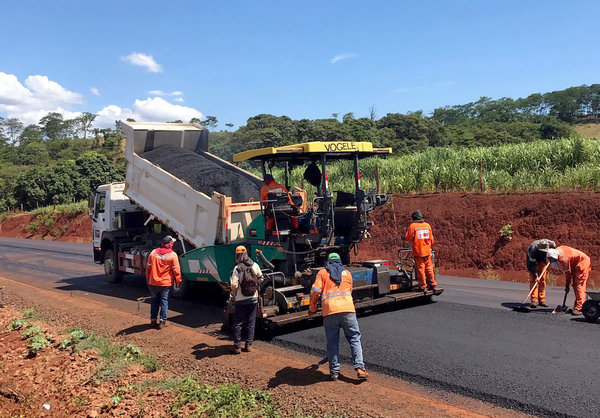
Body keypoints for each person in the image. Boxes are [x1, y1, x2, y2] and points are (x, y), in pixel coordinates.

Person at [309, 253, 368, 381]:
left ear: (328, 262)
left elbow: (315, 291)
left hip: (330, 312)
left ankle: (334, 373)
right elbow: (350, 290)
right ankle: (360, 368)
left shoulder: (323, 273)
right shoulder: (347, 273)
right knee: (354, 338)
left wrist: (312, 308)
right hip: (348, 310)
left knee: (332, 343)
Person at [229, 246, 263, 354]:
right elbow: (261, 278)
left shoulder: (237, 268)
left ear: (237, 255)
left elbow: (234, 285)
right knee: (251, 321)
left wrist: (236, 290)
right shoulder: (255, 265)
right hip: (253, 298)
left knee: (238, 322)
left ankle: (237, 346)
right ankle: (248, 345)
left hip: (241, 299)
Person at [146, 235, 181, 329]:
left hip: (153, 282)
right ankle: (162, 321)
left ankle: (153, 320)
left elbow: (148, 268)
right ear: (170, 244)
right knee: (164, 302)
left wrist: (148, 278)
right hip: (166, 284)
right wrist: (178, 281)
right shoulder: (172, 255)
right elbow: (176, 270)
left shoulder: (153, 253)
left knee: (154, 301)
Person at [546, 246, 591, 316]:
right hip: (576, 263)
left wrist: (567, 286)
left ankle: (579, 307)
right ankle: (578, 304)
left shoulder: (564, 259)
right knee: (576, 285)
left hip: (583, 263)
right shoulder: (557, 250)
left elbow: (568, 275)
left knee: (579, 285)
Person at [405, 210, 437, 291]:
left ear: (413, 218)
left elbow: (408, 237)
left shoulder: (413, 226)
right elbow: (432, 240)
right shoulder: (427, 225)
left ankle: (423, 286)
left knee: (420, 269)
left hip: (419, 252)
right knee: (429, 268)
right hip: (427, 251)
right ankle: (432, 284)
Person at [526, 239, 556, 308]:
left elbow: (554, 249)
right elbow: (531, 265)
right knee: (533, 280)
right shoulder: (533, 251)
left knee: (542, 280)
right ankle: (534, 300)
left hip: (543, 260)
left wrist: (551, 257)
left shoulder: (551, 244)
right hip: (533, 262)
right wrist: (536, 276)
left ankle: (542, 300)